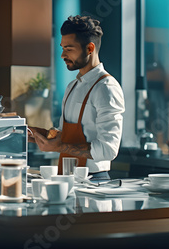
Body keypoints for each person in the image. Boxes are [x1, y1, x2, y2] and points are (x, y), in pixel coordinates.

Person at [29, 15, 125, 180]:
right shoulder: (72, 86)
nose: (62, 55)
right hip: (67, 178)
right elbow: (63, 135)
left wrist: (60, 147)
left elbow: (109, 149)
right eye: (62, 48)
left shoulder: (106, 88)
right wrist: (33, 133)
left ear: (89, 48)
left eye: (69, 48)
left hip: (94, 181)